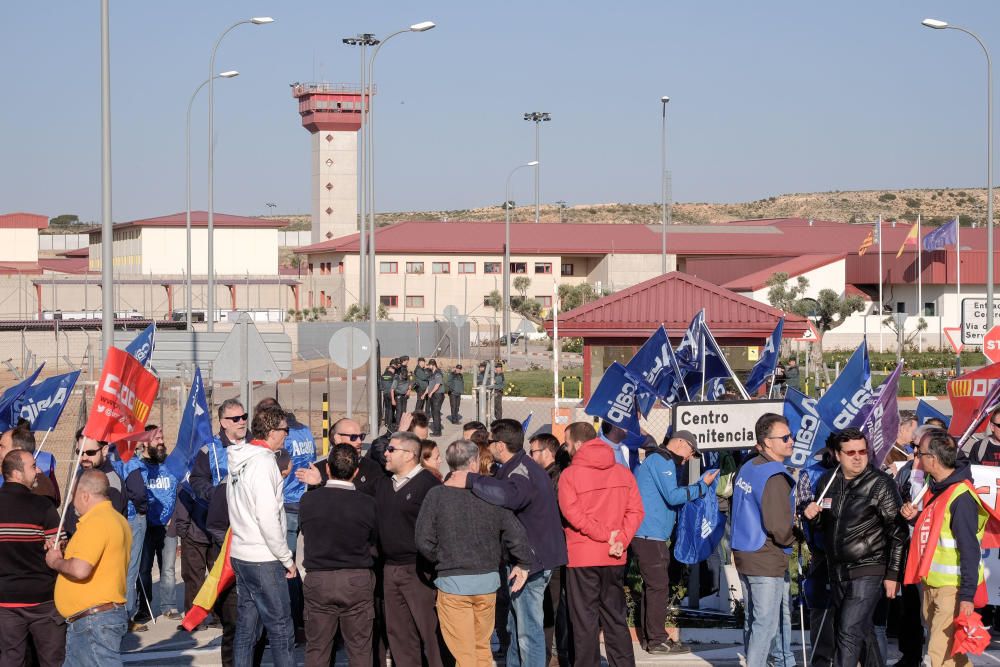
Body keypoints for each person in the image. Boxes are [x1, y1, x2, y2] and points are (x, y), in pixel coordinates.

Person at [446, 419, 567, 667]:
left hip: (529, 561)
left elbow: (507, 496)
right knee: (514, 625)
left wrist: (470, 481)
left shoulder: (520, 471)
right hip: (525, 558)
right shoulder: (515, 466)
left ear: (500, 445)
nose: (487, 445)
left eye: (490, 441)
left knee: (527, 631)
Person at [416, 439, 533, 667]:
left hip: (453, 582)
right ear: (475, 462)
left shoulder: (436, 495)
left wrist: (440, 560)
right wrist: (524, 562)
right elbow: (515, 532)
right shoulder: (489, 493)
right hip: (487, 581)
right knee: (481, 648)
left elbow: (423, 540)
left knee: (465, 654)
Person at [802, 428, 907, 666]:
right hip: (838, 569)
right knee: (863, 633)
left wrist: (893, 574)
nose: (857, 457)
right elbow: (824, 527)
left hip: (870, 568)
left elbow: (898, 532)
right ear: (837, 455)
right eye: (850, 452)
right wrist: (812, 516)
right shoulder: (827, 482)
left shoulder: (880, 484)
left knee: (847, 631)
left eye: (862, 451)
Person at [901, 429, 989, 667]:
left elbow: (970, 550)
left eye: (920, 453)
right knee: (954, 655)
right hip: (932, 585)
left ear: (934, 459)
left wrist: (967, 596)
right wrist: (913, 518)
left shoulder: (960, 497)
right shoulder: (936, 488)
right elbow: (933, 530)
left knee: (938, 654)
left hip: (953, 589)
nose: (916, 458)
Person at [558, 430, 643, 667]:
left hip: (582, 557)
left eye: (566, 444)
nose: (565, 449)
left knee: (585, 622)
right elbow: (636, 511)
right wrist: (620, 539)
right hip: (614, 555)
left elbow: (572, 515)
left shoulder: (569, 475)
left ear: (577, 444)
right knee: (615, 618)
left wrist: (607, 536)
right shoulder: (623, 473)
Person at [632, 430, 719, 655]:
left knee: (654, 587)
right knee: (658, 587)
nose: (690, 457)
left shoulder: (660, 459)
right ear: (680, 443)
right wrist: (703, 487)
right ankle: (657, 640)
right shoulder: (663, 460)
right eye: (691, 451)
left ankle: (651, 638)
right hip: (649, 535)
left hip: (650, 534)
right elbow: (673, 496)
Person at [227, 405, 297, 667]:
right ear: (271, 431)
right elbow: (267, 517)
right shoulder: (264, 462)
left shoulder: (240, 459)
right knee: (281, 629)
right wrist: (286, 557)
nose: (287, 435)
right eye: (285, 430)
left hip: (242, 553)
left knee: (247, 628)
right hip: (263, 557)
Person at [299, 444, 378, 667]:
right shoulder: (367, 503)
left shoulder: (308, 501)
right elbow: (374, 539)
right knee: (360, 649)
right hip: (356, 578)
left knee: (317, 648)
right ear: (355, 472)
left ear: (327, 469)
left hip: (319, 579)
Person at [48, 469, 131, 667]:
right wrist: (65, 550)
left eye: (73, 496)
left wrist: (55, 562)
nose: (72, 503)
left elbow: (80, 569)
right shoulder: (117, 519)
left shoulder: (96, 522)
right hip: (92, 620)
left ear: (85, 495)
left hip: (93, 622)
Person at [732, 413, 796, 667]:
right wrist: (795, 536)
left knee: (753, 619)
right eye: (785, 437)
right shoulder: (775, 475)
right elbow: (779, 527)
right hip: (765, 556)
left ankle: (774, 661)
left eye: (790, 436)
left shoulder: (749, 466)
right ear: (767, 442)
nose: (791, 441)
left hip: (744, 551)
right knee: (765, 625)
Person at [376, 430, 443, 667]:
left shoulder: (429, 485)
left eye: (391, 449)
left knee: (431, 634)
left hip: (419, 571)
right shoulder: (384, 484)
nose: (386, 453)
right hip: (390, 569)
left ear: (410, 455)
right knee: (400, 636)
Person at [184, 399, 247, 620]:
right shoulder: (209, 448)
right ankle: (214, 615)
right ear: (223, 423)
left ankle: (233, 613)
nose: (242, 422)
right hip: (216, 522)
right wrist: (215, 495)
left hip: (244, 522)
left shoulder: (252, 447)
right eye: (235, 419)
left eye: (244, 417)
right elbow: (197, 479)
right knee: (218, 570)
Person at [0, 449, 63, 666]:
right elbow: (59, 547)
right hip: (43, 599)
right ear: (17, 473)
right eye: (33, 466)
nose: (37, 471)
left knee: (11, 659)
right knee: (51, 659)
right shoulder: (43, 506)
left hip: (5, 600)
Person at [528, 432, 573, 667]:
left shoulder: (554, 478)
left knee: (551, 607)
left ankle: (550, 656)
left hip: (553, 552)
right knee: (553, 607)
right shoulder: (547, 476)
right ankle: (554, 654)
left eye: (533, 451)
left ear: (547, 452)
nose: (530, 456)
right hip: (554, 551)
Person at [134, 428, 182, 630]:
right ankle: (144, 608)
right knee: (143, 569)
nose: (162, 442)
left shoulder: (171, 465)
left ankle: (169, 606)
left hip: (167, 525)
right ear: (145, 443)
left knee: (168, 568)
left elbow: (179, 491)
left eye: (162, 438)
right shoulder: (137, 467)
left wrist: (175, 517)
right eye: (157, 439)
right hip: (144, 526)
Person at [64, 429, 128, 535]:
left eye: (90, 452)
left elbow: (107, 529)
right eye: (79, 452)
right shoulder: (80, 473)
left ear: (104, 450)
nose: (84, 457)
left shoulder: (111, 483)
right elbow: (70, 512)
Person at [425, 359, 446, 437]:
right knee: (434, 413)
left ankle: (437, 432)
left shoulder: (438, 373)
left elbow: (437, 385)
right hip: (434, 395)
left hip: (438, 395)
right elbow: (430, 385)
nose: (429, 366)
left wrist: (431, 393)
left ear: (433, 365)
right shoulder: (432, 373)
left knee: (436, 413)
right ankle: (437, 430)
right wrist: (425, 394)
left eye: (429, 365)